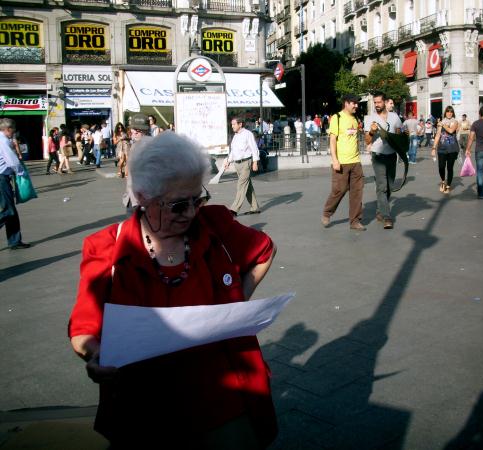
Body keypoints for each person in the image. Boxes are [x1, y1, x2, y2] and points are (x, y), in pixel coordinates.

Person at [68, 131, 278, 448]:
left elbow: (265, 252)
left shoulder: (215, 226)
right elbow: (84, 328)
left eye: (198, 198)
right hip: (145, 409)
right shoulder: (106, 249)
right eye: (179, 205)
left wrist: (234, 304)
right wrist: (95, 354)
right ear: (142, 197)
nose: (192, 212)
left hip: (224, 402)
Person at [321, 93, 365, 231]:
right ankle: (327, 213)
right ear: (346, 103)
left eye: (357, 103)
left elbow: (354, 138)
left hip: (356, 162)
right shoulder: (337, 118)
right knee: (339, 190)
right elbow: (332, 140)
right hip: (341, 162)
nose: (356, 106)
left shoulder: (355, 118)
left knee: (357, 192)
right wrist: (334, 159)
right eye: (354, 103)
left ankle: (355, 221)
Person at [364, 91, 402, 229]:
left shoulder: (395, 117)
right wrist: (372, 132)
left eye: (379, 102)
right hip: (378, 155)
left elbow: (399, 134)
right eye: (375, 102)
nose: (377, 105)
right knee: (382, 186)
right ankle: (387, 217)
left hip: (392, 155)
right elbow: (367, 140)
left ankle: (380, 211)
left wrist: (402, 137)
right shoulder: (370, 118)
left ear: (385, 102)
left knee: (389, 186)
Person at [0, 118, 30, 249]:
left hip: (3, 177)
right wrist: (21, 172)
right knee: (8, 210)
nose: (14, 132)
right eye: (13, 129)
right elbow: (12, 161)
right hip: (1, 178)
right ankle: (14, 241)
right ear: (8, 129)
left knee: (12, 211)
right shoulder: (4, 141)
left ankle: (15, 241)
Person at [225, 118, 261, 215]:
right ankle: (255, 207)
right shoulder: (235, 136)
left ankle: (234, 209)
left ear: (240, 124)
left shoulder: (248, 134)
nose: (232, 126)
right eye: (231, 124)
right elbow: (233, 151)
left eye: (234, 124)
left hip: (246, 163)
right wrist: (228, 161)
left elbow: (254, 148)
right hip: (237, 164)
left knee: (241, 185)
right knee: (247, 186)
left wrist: (255, 162)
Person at [431, 106, 460, 194]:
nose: (449, 113)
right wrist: (433, 148)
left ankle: (448, 186)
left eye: (451, 112)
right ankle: (443, 181)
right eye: (448, 112)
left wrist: (443, 124)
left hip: (452, 149)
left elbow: (451, 131)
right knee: (441, 167)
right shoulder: (441, 123)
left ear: (453, 113)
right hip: (442, 149)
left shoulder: (455, 121)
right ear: (445, 113)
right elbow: (437, 136)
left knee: (450, 168)